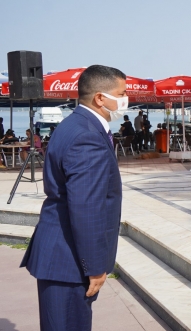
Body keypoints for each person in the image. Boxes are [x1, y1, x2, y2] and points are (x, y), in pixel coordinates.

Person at [20, 65, 127, 330]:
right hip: (69, 260)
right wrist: (95, 267)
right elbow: (86, 207)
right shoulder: (87, 136)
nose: (126, 101)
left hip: (62, 253)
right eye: (121, 94)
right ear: (100, 98)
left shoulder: (74, 125)